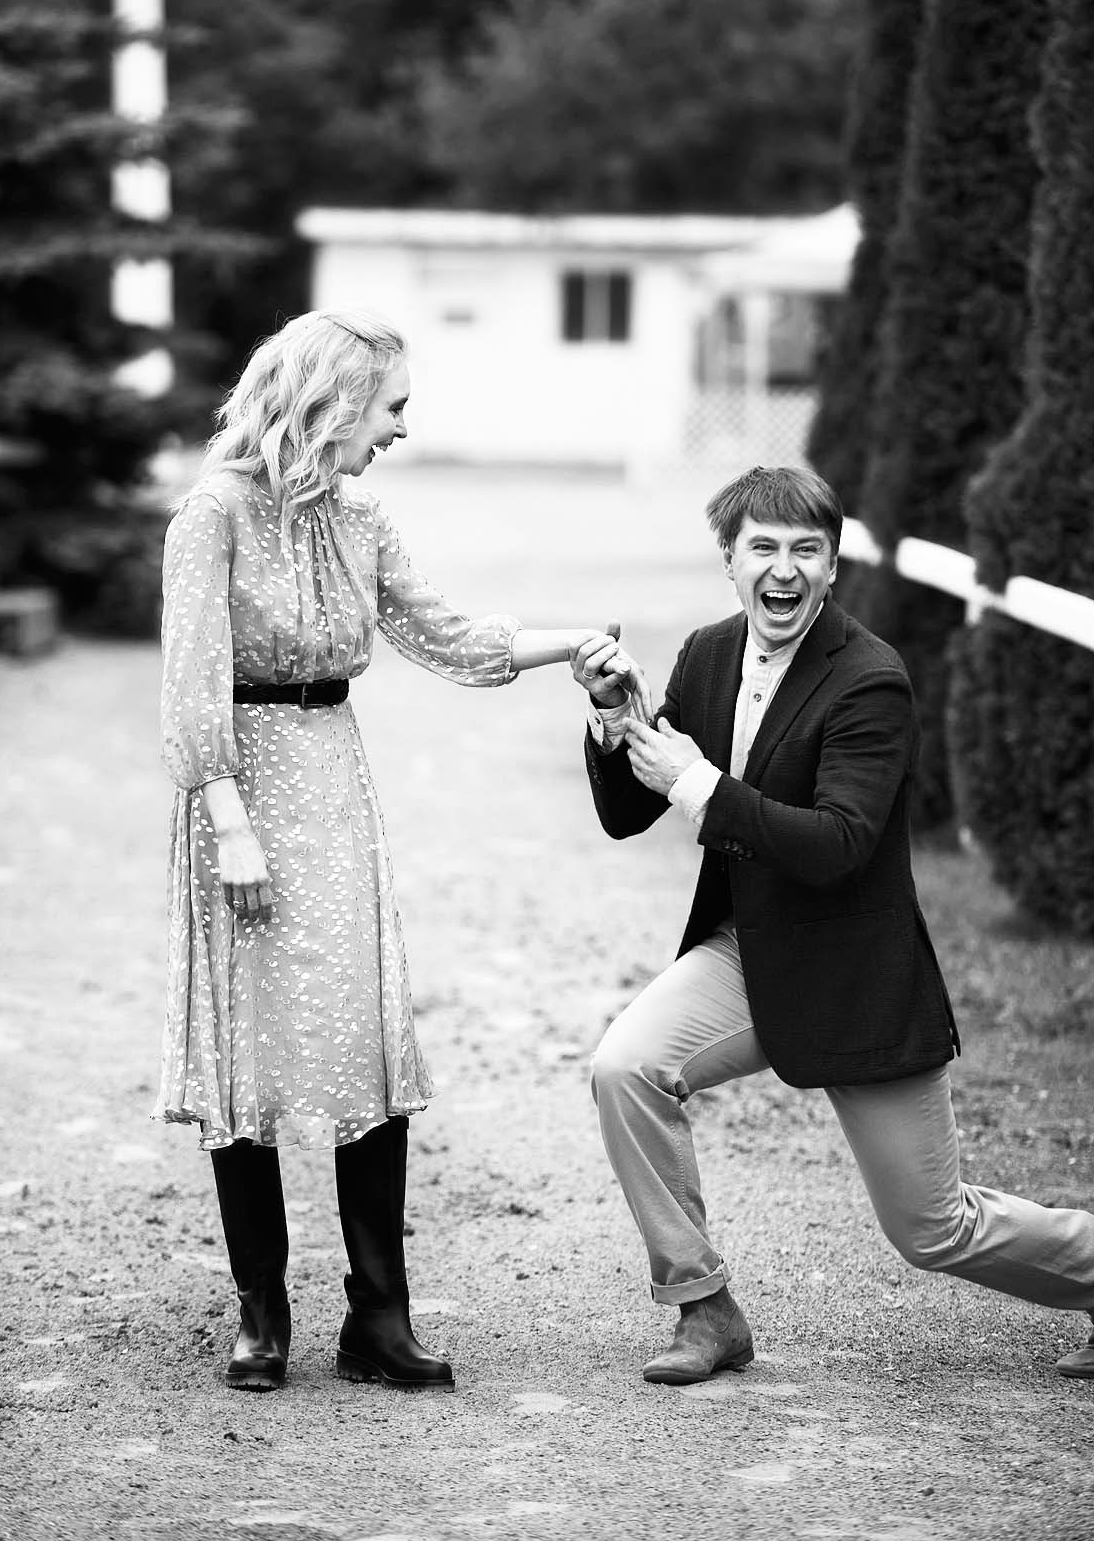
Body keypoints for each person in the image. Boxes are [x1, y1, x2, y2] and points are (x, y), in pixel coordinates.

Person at [156, 307, 644, 1393]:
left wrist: (573, 642)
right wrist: (230, 826)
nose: (402, 429)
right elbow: (190, 688)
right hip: (239, 791)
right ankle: (262, 1312)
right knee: (245, 1045)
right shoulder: (211, 514)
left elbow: (447, 634)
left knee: (361, 1039)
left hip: (333, 781)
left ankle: (379, 1316)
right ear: (331, 403)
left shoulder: (362, 516)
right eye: (393, 406)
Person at [571, 464, 1094, 1386]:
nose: (785, 568)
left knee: (932, 1229)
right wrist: (616, 718)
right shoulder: (706, 654)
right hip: (747, 953)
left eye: (806, 550)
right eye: (763, 548)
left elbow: (840, 844)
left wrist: (700, 782)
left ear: (833, 566)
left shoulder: (870, 680)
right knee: (626, 1066)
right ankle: (704, 1306)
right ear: (730, 559)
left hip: (855, 975)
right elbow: (627, 811)